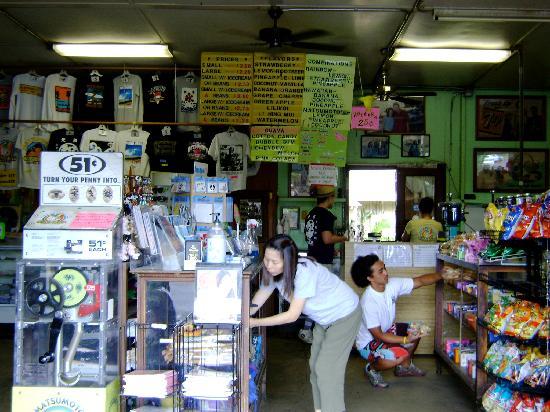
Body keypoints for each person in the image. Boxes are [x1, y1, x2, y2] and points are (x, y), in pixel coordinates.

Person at [250, 234, 361, 412]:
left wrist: (255, 322)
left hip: (344, 315)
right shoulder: (273, 272)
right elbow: (261, 296)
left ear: (289, 261)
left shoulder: (304, 272)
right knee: (315, 367)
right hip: (323, 320)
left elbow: (292, 315)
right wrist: (244, 315)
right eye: (266, 259)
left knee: (326, 370)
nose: (269, 265)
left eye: (274, 262)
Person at [351, 254, 443, 388]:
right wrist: (405, 340)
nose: (386, 273)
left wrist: (442, 275)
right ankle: (372, 368)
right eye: (381, 271)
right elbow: (379, 336)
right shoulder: (368, 302)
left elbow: (420, 281)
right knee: (391, 357)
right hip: (369, 343)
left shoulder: (391, 284)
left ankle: (404, 367)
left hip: (386, 331)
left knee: (416, 329)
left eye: (384, 268)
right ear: (370, 278)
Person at [301, 184, 348, 343]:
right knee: (321, 298)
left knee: (313, 296)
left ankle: (307, 329)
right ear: (329, 198)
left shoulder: (311, 214)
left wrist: (331, 250)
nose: (333, 200)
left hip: (312, 258)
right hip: (321, 262)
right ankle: (311, 331)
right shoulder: (326, 215)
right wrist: (343, 238)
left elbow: (314, 239)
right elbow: (327, 239)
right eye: (333, 197)